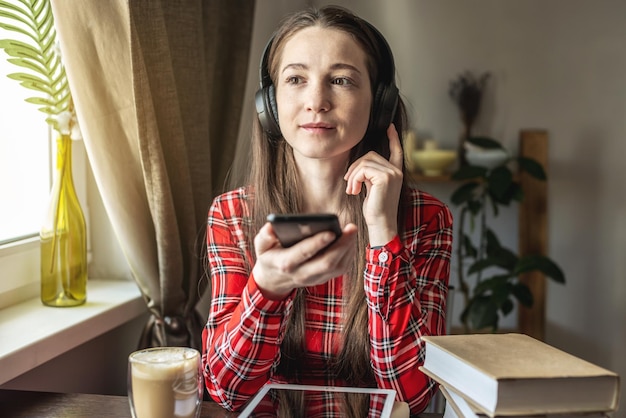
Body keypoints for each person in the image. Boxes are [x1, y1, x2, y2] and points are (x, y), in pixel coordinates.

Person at [201, 5, 453, 416]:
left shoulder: (427, 218)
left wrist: (384, 235)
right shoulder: (231, 215)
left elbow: (415, 395)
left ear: (380, 103)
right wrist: (266, 287)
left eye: (340, 80)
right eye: (296, 79)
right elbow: (228, 391)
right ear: (270, 103)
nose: (316, 101)